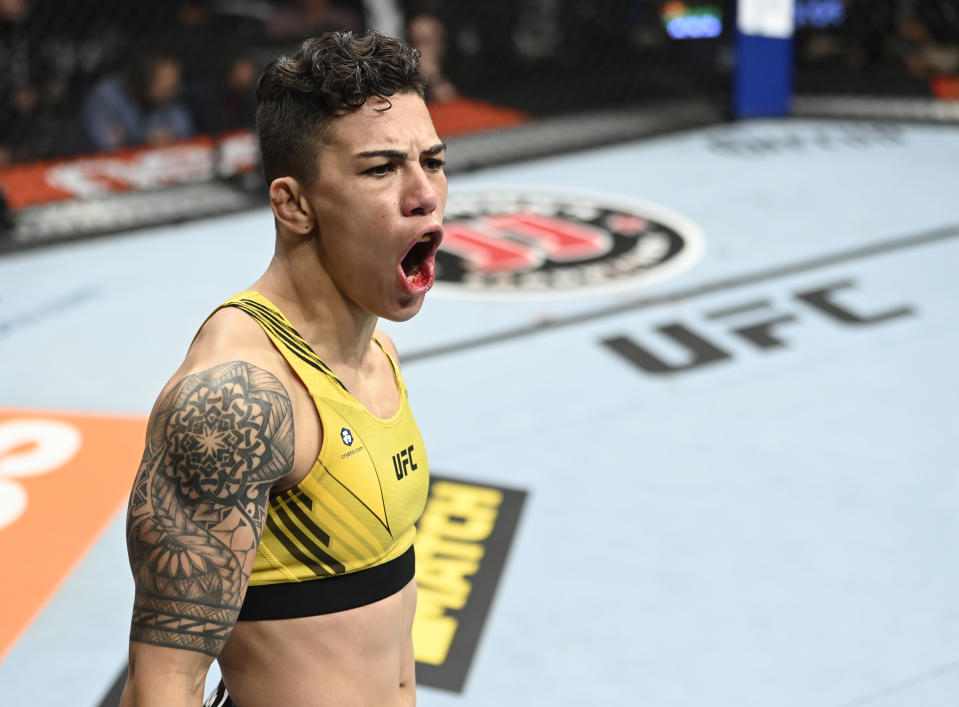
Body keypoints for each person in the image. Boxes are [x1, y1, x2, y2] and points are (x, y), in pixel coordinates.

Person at [120, 30, 447, 707]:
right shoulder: (236, 401)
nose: (424, 195)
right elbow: (164, 683)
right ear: (293, 203)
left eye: (433, 161)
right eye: (380, 168)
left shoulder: (375, 347)